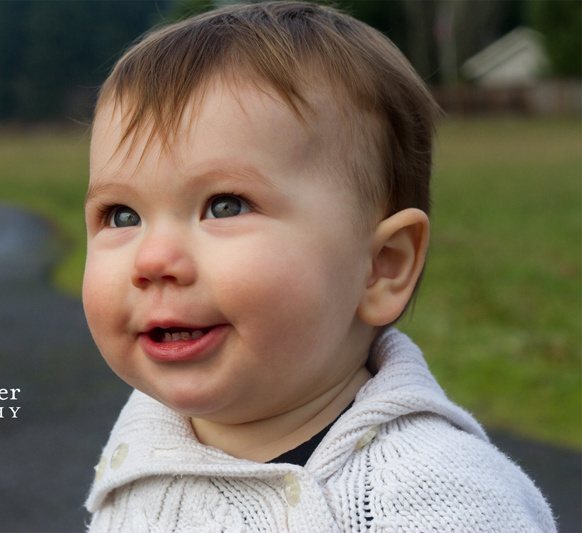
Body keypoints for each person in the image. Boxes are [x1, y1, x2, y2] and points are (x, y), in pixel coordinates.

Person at [81, 2, 556, 531]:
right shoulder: (136, 456)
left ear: (382, 266)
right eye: (121, 215)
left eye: (225, 205)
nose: (152, 260)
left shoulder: (448, 501)